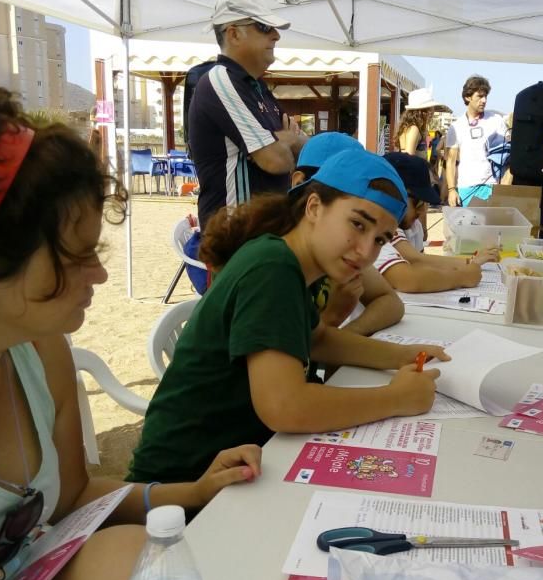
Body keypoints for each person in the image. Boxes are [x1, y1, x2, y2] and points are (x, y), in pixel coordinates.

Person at [0, 89, 261, 580]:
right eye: (74, 257)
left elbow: (71, 497)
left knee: (133, 557)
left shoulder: (40, 349)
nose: (98, 273)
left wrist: (193, 491)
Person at [128, 148, 448, 485]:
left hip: (239, 462)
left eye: (380, 240)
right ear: (313, 206)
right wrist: (396, 398)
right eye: (357, 224)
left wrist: (403, 356)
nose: (366, 251)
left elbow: (317, 338)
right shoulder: (273, 268)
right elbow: (284, 406)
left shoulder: (291, 264)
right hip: (183, 484)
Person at [188, 0, 308, 229]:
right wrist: (284, 140)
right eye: (264, 27)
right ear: (233, 34)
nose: (276, 36)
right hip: (237, 237)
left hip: (263, 231)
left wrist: (282, 141)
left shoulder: (255, 86)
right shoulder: (220, 79)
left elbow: (301, 149)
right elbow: (277, 160)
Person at [294, 132, 404, 337]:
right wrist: (331, 319)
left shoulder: (340, 250)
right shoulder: (274, 266)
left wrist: (343, 338)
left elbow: (390, 301)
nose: (364, 251)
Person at [375, 153, 499, 294]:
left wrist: (470, 263)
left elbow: (422, 265)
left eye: (425, 203)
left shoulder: (412, 226)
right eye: (418, 202)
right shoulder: (380, 229)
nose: (422, 211)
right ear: (394, 193)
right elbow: (414, 267)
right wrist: (463, 274)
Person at [445, 75, 508, 206]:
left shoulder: (496, 120)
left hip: (492, 186)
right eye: (479, 96)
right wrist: (451, 190)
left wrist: (505, 184)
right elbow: (450, 161)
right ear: (468, 97)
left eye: (486, 96)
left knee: (491, 226)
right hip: (466, 187)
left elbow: (507, 154)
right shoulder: (456, 127)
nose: (484, 100)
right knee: (468, 225)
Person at [396, 87, 441, 247]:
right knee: (419, 224)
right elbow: (409, 155)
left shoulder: (412, 127)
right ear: (423, 110)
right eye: (430, 109)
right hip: (414, 182)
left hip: (415, 179)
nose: (432, 112)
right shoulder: (414, 129)